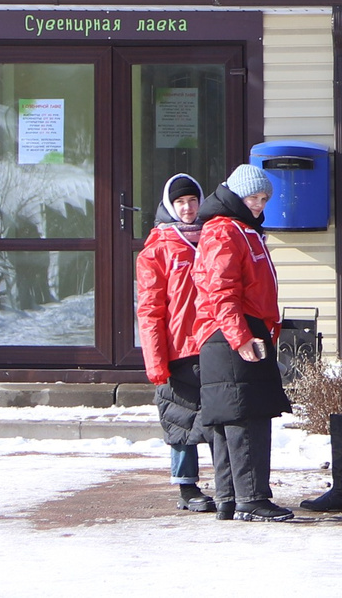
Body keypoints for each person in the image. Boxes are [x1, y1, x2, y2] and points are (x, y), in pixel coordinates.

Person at [192, 164, 295, 523]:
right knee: (246, 416)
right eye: (253, 197)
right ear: (236, 195)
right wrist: (241, 338)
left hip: (234, 331)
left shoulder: (241, 229)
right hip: (232, 332)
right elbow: (221, 291)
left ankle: (229, 498)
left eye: (264, 198)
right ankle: (252, 499)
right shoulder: (225, 231)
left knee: (229, 416)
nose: (259, 204)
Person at [135, 173, 214, 512]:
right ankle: (187, 487)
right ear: (170, 205)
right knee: (180, 417)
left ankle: (228, 482)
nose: (187, 208)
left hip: (213, 343)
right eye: (180, 202)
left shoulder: (213, 238)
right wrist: (156, 361)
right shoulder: (158, 249)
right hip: (178, 349)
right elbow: (150, 309)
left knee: (219, 416)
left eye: (192, 201)